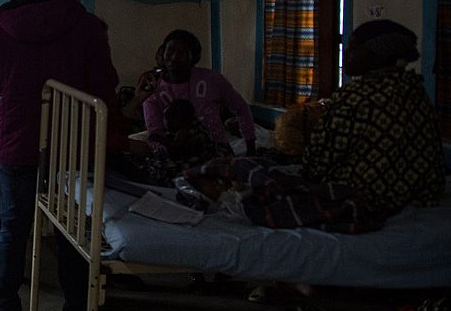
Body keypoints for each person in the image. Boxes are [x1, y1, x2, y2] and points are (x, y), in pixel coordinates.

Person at [0, 0, 118, 311]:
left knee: (13, 227)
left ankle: (4, 309)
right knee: (72, 230)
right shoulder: (87, 26)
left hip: (18, 140)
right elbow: (104, 88)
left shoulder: (1, 23)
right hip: (70, 143)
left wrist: (19, 81)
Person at [184, 20, 444, 234]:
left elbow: (320, 162)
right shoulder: (414, 92)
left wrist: (289, 172)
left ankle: (219, 193)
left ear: (376, 55)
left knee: (253, 174)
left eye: (353, 49)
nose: (346, 53)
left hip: (372, 196)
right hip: (417, 193)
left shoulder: (358, 97)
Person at [144, 29, 256, 156]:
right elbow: (155, 136)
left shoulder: (211, 79)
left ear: (194, 57)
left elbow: (241, 107)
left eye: (182, 53)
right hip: (176, 155)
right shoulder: (153, 89)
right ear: (163, 52)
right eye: (170, 51)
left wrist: (251, 148)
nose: (174, 57)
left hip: (217, 151)